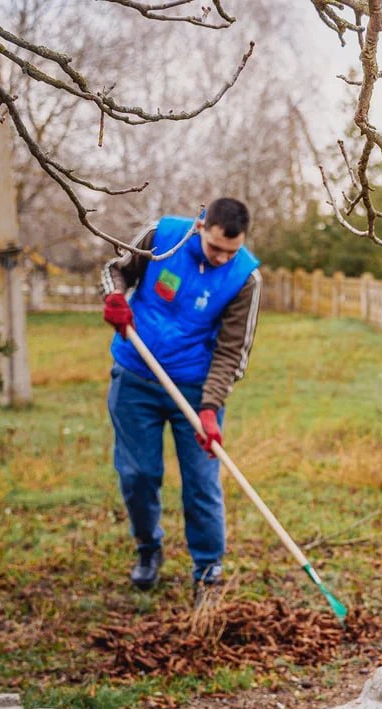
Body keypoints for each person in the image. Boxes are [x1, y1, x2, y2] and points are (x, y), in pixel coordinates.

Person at [100, 198, 262, 596]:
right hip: (136, 374)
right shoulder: (162, 236)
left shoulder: (245, 278)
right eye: (215, 248)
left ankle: (208, 569)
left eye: (232, 250)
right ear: (201, 225)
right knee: (138, 474)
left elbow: (232, 352)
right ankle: (148, 550)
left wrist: (209, 408)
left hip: (195, 388)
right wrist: (115, 299)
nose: (223, 258)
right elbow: (116, 271)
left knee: (202, 481)